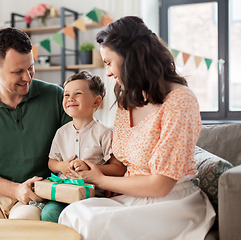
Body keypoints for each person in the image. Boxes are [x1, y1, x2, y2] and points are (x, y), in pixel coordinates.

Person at [58, 16, 216, 240]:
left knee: (94, 223)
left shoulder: (180, 100)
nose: (109, 73)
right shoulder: (128, 99)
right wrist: (91, 170)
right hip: (133, 197)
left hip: (172, 202)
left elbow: (161, 185)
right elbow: (122, 166)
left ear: (131, 58)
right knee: (71, 214)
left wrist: (100, 180)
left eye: (109, 63)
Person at [0, 27, 71, 220]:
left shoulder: (55, 96)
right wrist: (15, 189)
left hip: (38, 192)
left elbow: (79, 139)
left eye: (30, 67)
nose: (27, 77)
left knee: (22, 225)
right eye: (18, 71)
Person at [41, 71, 126, 223]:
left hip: (93, 195)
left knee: (88, 220)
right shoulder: (61, 132)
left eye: (78, 93)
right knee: (48, 215)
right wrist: (63, 165)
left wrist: (90, 168)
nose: (70, 99)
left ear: (96, 102)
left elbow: (118, 168)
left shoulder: (104, 133)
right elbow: (51, 162)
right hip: (64, 192)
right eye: (66, 95)